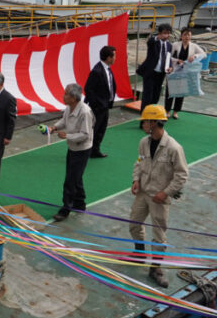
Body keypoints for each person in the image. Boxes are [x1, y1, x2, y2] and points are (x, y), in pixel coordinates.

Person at [129, 105, 188, 288]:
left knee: (159, 234)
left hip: (159, 198)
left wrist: (165, 193)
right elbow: (139, 162)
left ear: (154, 123)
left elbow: (182, 175)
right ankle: (140, 254)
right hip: (143, 192)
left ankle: (156, 268)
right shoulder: (143, 142)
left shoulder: (173, 148)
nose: (144, 125)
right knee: (134, 224)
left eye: (146, 121)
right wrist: (135, 180)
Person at [49, 83, 94, 221]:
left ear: (74, 98)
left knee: (70, 180)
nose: (63, 96)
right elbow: (64, 121)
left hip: (81, 149)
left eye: (66, 94)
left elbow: (85, 134)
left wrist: (67, 136)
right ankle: (80, 203)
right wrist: (54, 127)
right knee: (76, 177)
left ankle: (65, 209)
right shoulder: (70, 108)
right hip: (73, 147)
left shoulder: (85, 112)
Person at [164, 28, 207, 118]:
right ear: (181, 36)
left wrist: (194, 56)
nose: (187, 37)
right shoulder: (175, 45)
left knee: (181, 92)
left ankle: (175, 111)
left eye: (189, 35)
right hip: (174, 70)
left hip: (185, 71)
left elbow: (204, 55)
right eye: (185, 35)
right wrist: (177, 60)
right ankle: (167, 110)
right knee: (170, 91)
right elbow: (168, 56)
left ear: (191, 36)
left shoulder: (194, 46)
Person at [84, 45, 117, 158]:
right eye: (114, 56)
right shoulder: (97, 71)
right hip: (98, 107)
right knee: (93, 129)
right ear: (108, 57)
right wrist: (97, 104)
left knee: (101, 129)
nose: (115, 58)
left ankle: (95, 150)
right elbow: (88, 89)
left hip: (105, 105)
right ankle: (86, 151)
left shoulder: (107, 69)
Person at [136, 23, 173, 107]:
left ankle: (152, 115)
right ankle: (144, 118)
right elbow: (150, 42)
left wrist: (170, 66)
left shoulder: (169, 45)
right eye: (164, 33)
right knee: (147, 95)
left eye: (168, 33)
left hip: (161, 74)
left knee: (156, 95)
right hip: (150, 72)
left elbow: (168, 58)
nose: (166, 35)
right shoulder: (153, 42)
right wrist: (157, 37)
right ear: (159, 33)